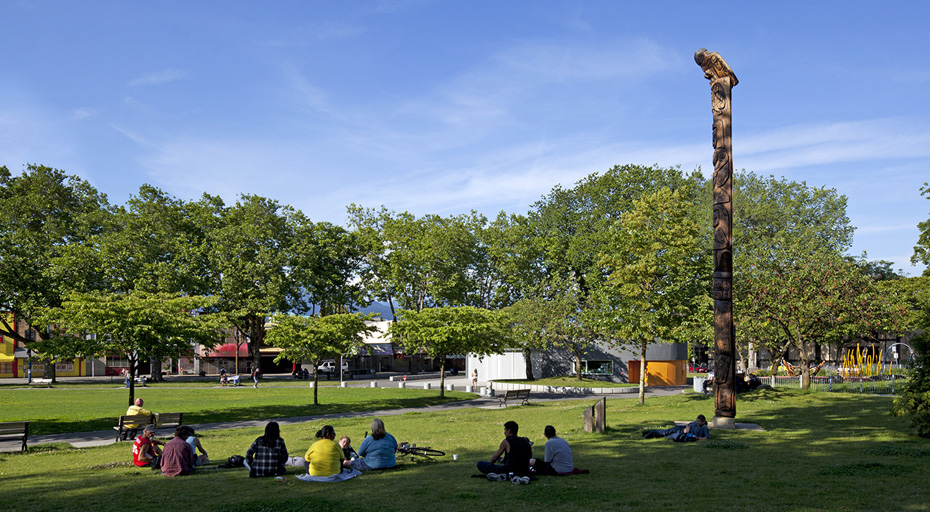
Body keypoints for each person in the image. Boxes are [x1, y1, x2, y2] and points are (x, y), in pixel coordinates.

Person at [642, 414, 711, 442]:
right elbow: (689, 424)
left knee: (667, 435)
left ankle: (651, 434)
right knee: (666, 431)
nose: (697, 422)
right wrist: (687, 428)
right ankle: (649, 434)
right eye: (697, 420)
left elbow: (707, 438)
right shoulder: (695, 423)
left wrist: (698, 438)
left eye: (699, 421)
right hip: (681, 429)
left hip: (685, 435)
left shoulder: (704, 428)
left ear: (702, 422)